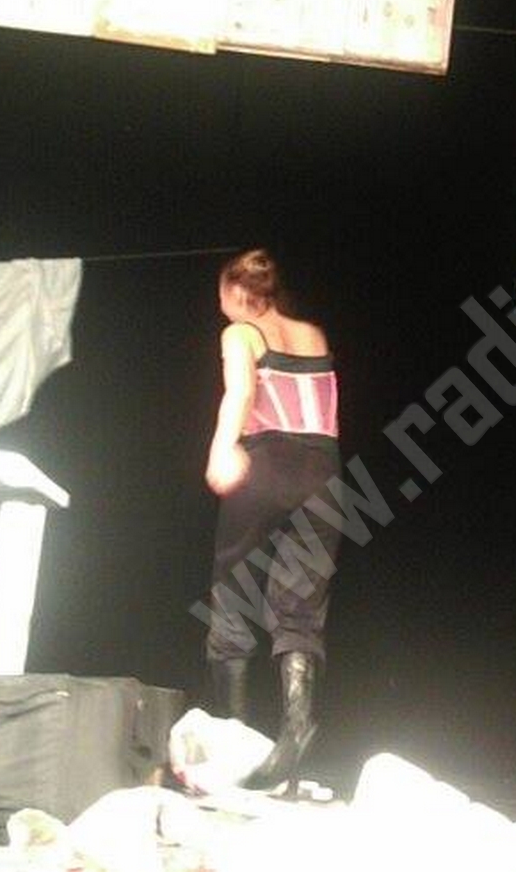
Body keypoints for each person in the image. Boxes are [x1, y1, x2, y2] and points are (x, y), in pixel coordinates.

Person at [203, 248, 341, 794]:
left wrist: (222, 447)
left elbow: (241, 391)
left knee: (232, 590)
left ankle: (231, 737)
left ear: (239, 294)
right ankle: (296, 729)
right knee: (299, 605)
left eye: (221, 293)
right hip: (324, 471)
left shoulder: (240, 333)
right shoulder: (314, 333)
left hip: (267, 463)